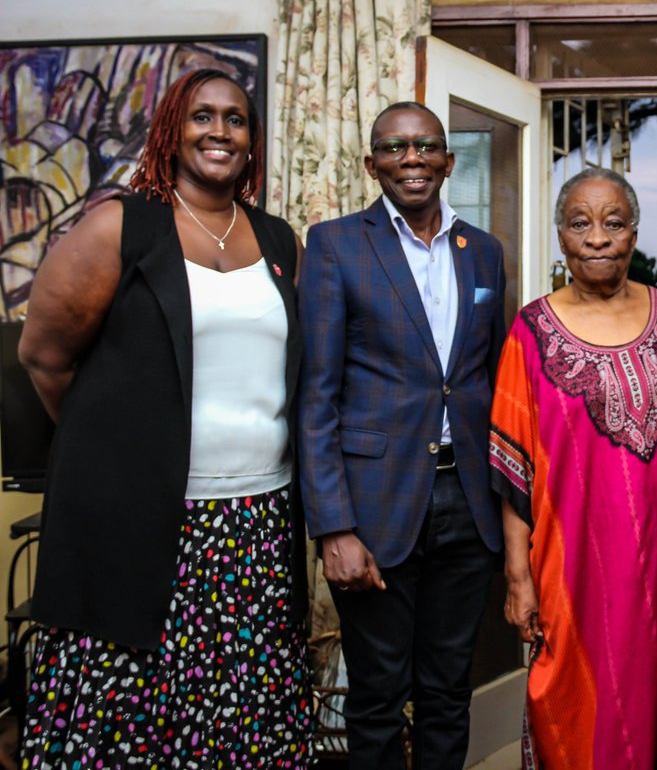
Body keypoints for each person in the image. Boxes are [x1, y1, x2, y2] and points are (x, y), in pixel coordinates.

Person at [18, 68, 312, 768]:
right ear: (171, 130)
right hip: (143, 520)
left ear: (252, 139)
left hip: (256, 523)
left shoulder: (278, 240)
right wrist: (123, 451)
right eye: (202, 116)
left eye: (235, 119)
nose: (220, 131)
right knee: (137, 706)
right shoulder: (120, 226)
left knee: (238, 704)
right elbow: (44, 358)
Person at [298, 102, 507, 769]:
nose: (410, 158)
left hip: (467, 506)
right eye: (393, 147)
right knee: (378, 696)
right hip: (375, 506)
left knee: (449, 691)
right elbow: (317, 393)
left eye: (424, 146)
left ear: (448, 161)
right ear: (372, 163)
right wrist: (334, 527)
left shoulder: (485, 252)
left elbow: (488, 379)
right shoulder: (335, 245)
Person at [490, 168, 657, 769]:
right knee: (572, 696)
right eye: (580, 224)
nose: (598, 238)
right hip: (569, 564)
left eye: (614, 223)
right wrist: (518, 576)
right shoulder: (531, 332)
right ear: (560, 237)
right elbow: (512, 467)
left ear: (634, 234)